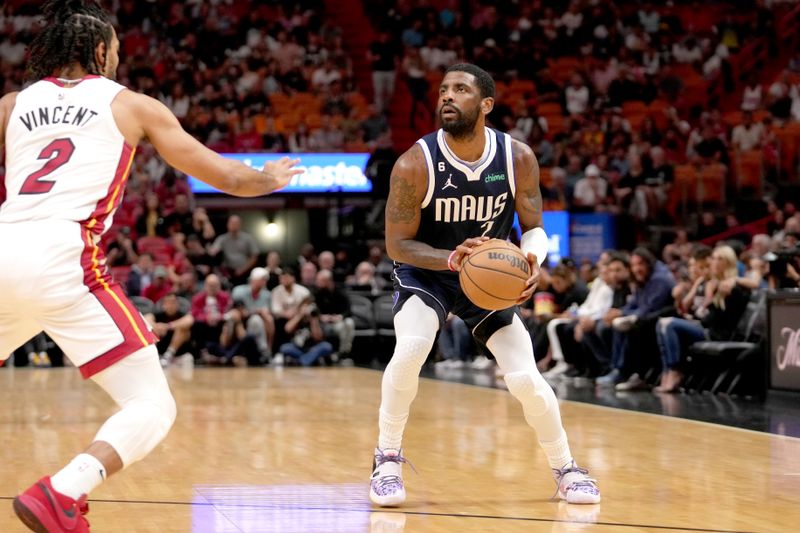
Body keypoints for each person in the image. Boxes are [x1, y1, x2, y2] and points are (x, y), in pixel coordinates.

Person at [0, 2, 302, 531]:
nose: (119, 57)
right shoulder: (132, 106)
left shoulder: (10, 105)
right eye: (116, 48)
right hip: (65, 259)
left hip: (5, 246)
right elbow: (223, 176)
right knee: (151, 405)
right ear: (99, 51)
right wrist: (269, 177)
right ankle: (63, 491)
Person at [369, 64, 599, 508]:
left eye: (460, 90)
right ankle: (388, 458)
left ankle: (567, 467)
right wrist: (454, 257)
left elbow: (534, 228)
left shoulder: (517, 158)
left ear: (486, 104)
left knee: (526, 380)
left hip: (488, 277)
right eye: (442, 91)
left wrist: (533, 258)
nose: (446, 98)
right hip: (427, 271)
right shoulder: (414, 163)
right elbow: (398, 245)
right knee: (413, 346)